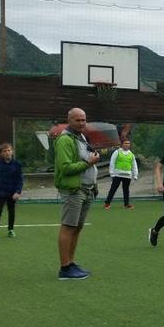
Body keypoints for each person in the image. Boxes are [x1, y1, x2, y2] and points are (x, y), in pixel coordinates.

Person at [54, 108, 99, 280]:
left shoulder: (80, 137)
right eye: (78, 120)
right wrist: (89, 162)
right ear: (69, 120)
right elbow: (65, 168)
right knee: (68, 226)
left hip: (86, 189)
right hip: (74, 190)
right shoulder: (65, 140)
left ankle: (71, 263)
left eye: (84, 119)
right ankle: (64, 268)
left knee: (77, 227)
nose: (82, 123)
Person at [0, 142, 23, 239]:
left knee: (11, 211)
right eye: (5, 151)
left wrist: (18, 191)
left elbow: (20, 179)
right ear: (1, 153)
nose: (7, 152)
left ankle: (11, 229)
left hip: (12, 193)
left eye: (9, 150)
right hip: (0, 192)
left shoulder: (17, 165)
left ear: (12, 152)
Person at [104, 138, 139, 209]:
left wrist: (135, 174)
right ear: (122, 144)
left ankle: (126, 204)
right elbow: (112, 163)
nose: (127, 145)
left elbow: (134, 165)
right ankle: (107, 204)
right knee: (113, 189)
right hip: (117, 174)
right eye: (125, 143)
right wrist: (112, 173)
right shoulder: (117, 152)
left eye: (128, 143)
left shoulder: (131, 154)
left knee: (126, 190)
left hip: (127, 175)